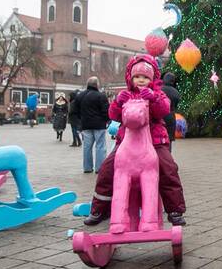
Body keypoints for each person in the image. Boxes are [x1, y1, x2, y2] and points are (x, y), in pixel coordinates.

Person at [84, 54, 186, 226]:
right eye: (137, 76)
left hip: (155, 140)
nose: (141, 80)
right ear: (131, 78)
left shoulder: (157, 94)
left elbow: (164, 110)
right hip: (127, 141)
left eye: (145, 77)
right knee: (107, 169)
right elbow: (114, 115)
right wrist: (117, 103)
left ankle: (175, 209)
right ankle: (100, 208)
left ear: (152, 78)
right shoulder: (125, 94)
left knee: (168, 168)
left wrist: (153, 98)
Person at [76, 77, 109, 173]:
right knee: (100, 147)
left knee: (87, 147)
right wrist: (106, 120)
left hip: (86, 125)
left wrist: (80, 121)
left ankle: (87, 168)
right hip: (99, 125)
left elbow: (76, 110)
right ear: (97, 84)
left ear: (87, 84)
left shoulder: (80, 96)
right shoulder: (101, 96)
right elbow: (106, 111)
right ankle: (99, 168)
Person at [160, 72, 180, 144]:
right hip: (171, 117)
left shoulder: (158, 90)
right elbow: (176, 104)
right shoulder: (176, 92)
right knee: (169, 139)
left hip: (160, 117)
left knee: (159, 138)